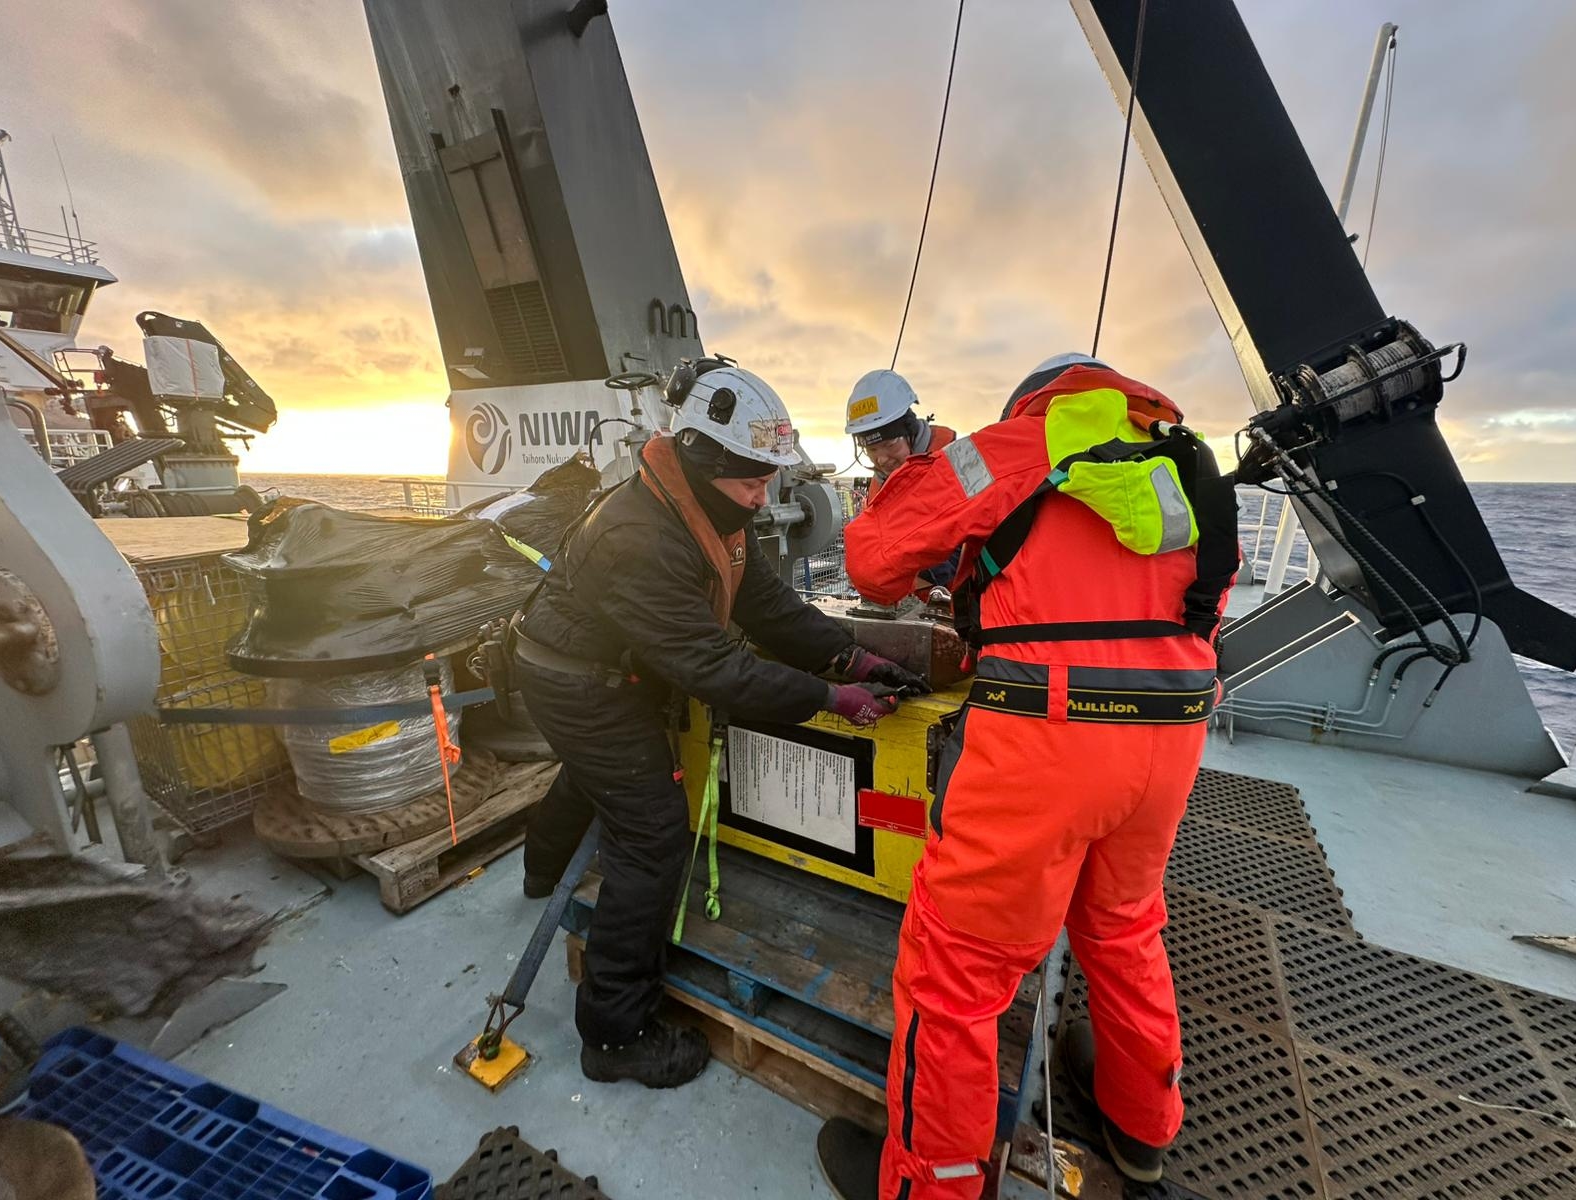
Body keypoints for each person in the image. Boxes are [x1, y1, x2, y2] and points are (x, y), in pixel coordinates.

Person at [816, 353, 1238, 1196]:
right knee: (1122, 926)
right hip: (1170, 740)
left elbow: (869, 563)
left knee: (957, 974)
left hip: (1047, 740)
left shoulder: (1011, 449)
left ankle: (927, 1184)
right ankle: (1141, 1127)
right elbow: (1208, 600)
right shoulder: (1188, 461)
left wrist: (912, 488)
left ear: (1033, 401)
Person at [512, 358, 929, 1090]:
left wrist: (851, 658)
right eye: (752, 480)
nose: (764, 496)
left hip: (606, 667)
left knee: (595, 776)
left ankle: (541, 870)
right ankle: (613, 1035)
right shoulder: (638, 539)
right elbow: (716, 669)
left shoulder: (711, 512)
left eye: (770, 478)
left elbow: (766, 607)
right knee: (650, 832)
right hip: (576, 682)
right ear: (703, 462)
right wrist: (833, 701)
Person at [844, 369, 959, 592]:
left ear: (911, 431)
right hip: (913, 602)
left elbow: (972, 530)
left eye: (890, 444)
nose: (882, 458)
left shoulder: (951, 463)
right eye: (872, 448)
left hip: (961, 601)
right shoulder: (882, 482)